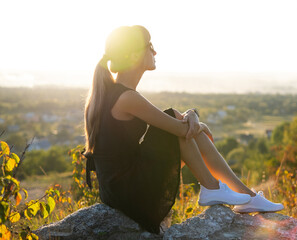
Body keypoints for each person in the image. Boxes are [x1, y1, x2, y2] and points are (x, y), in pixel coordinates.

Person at [83, 25, 283, 234]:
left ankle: (246, 196)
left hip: (119, 190)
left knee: (175, 116)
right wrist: (194, 118)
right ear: (134, 55)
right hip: (129, 193)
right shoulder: (126, 98)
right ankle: (212, 188)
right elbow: (177, 130)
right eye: (150, 46)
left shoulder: (114, 94)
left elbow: (172, 120)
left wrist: (190, 116)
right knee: (176, 124)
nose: (155, 52)